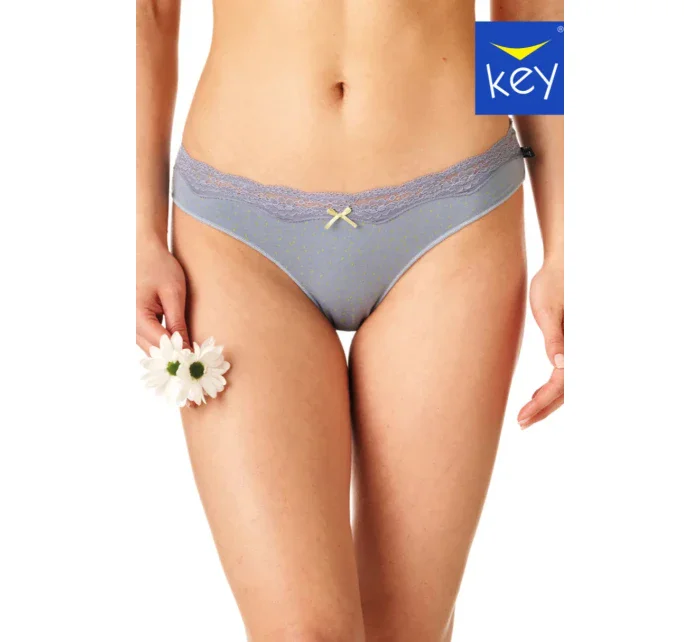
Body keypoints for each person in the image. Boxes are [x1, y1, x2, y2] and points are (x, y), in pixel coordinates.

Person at [136, 1, 564, 639]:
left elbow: (525, 14)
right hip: (236, 232)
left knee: (405, 631)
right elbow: (150, 14)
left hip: (453, 216)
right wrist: (139, 229)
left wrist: (564, 239)